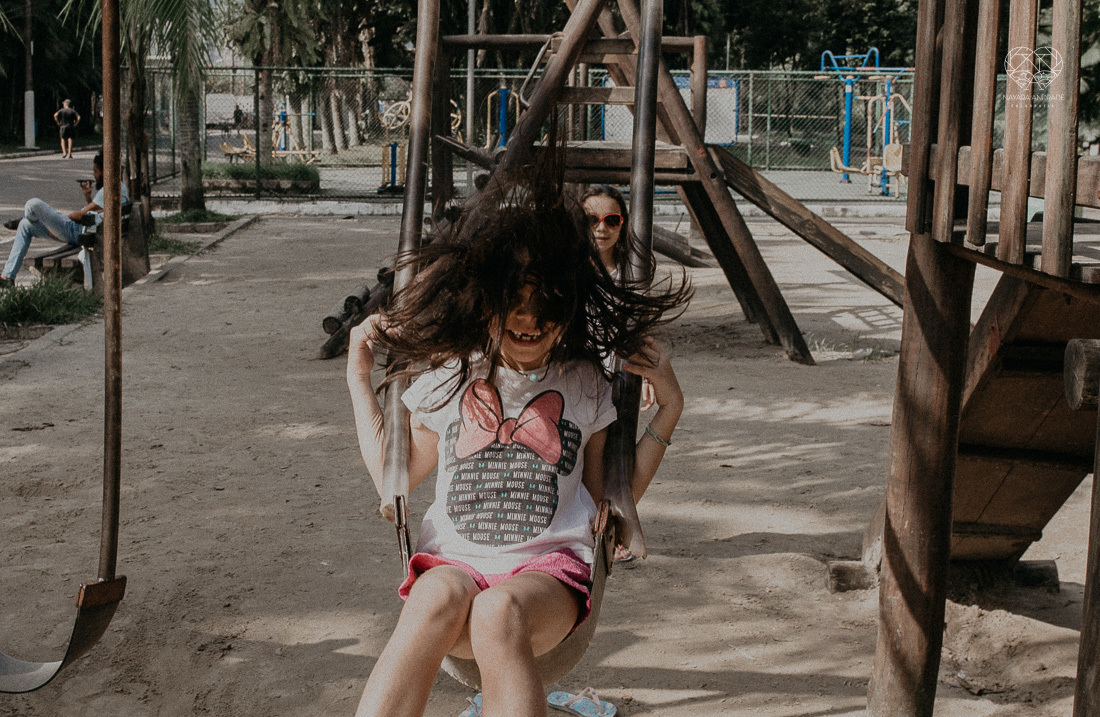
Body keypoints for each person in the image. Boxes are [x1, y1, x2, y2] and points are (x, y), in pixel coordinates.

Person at [346, 158, 690, 717]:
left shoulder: (583, 381)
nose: (530, 319)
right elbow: (398, 474)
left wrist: (670, 405)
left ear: (568, 308)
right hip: (454, 564)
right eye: (516, 302)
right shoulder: (451, 373)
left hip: (545, 577)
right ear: (488, 300)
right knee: (434, 596)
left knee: (497, 612)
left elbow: (613, 496)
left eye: (547, 305)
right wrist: (358, 378)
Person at [0, 152, 128, 288]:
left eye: (96, 171)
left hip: (77, 232)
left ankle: (27, 217)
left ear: (105, 171)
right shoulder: (119, 187)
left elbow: (80, 215)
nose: (94, 175)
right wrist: (88, 197)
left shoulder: (111, 189)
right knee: (25, 226)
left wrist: (58, 223)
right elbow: (94, 213)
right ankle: (7, 276)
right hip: (88, 233)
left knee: (33, 204)